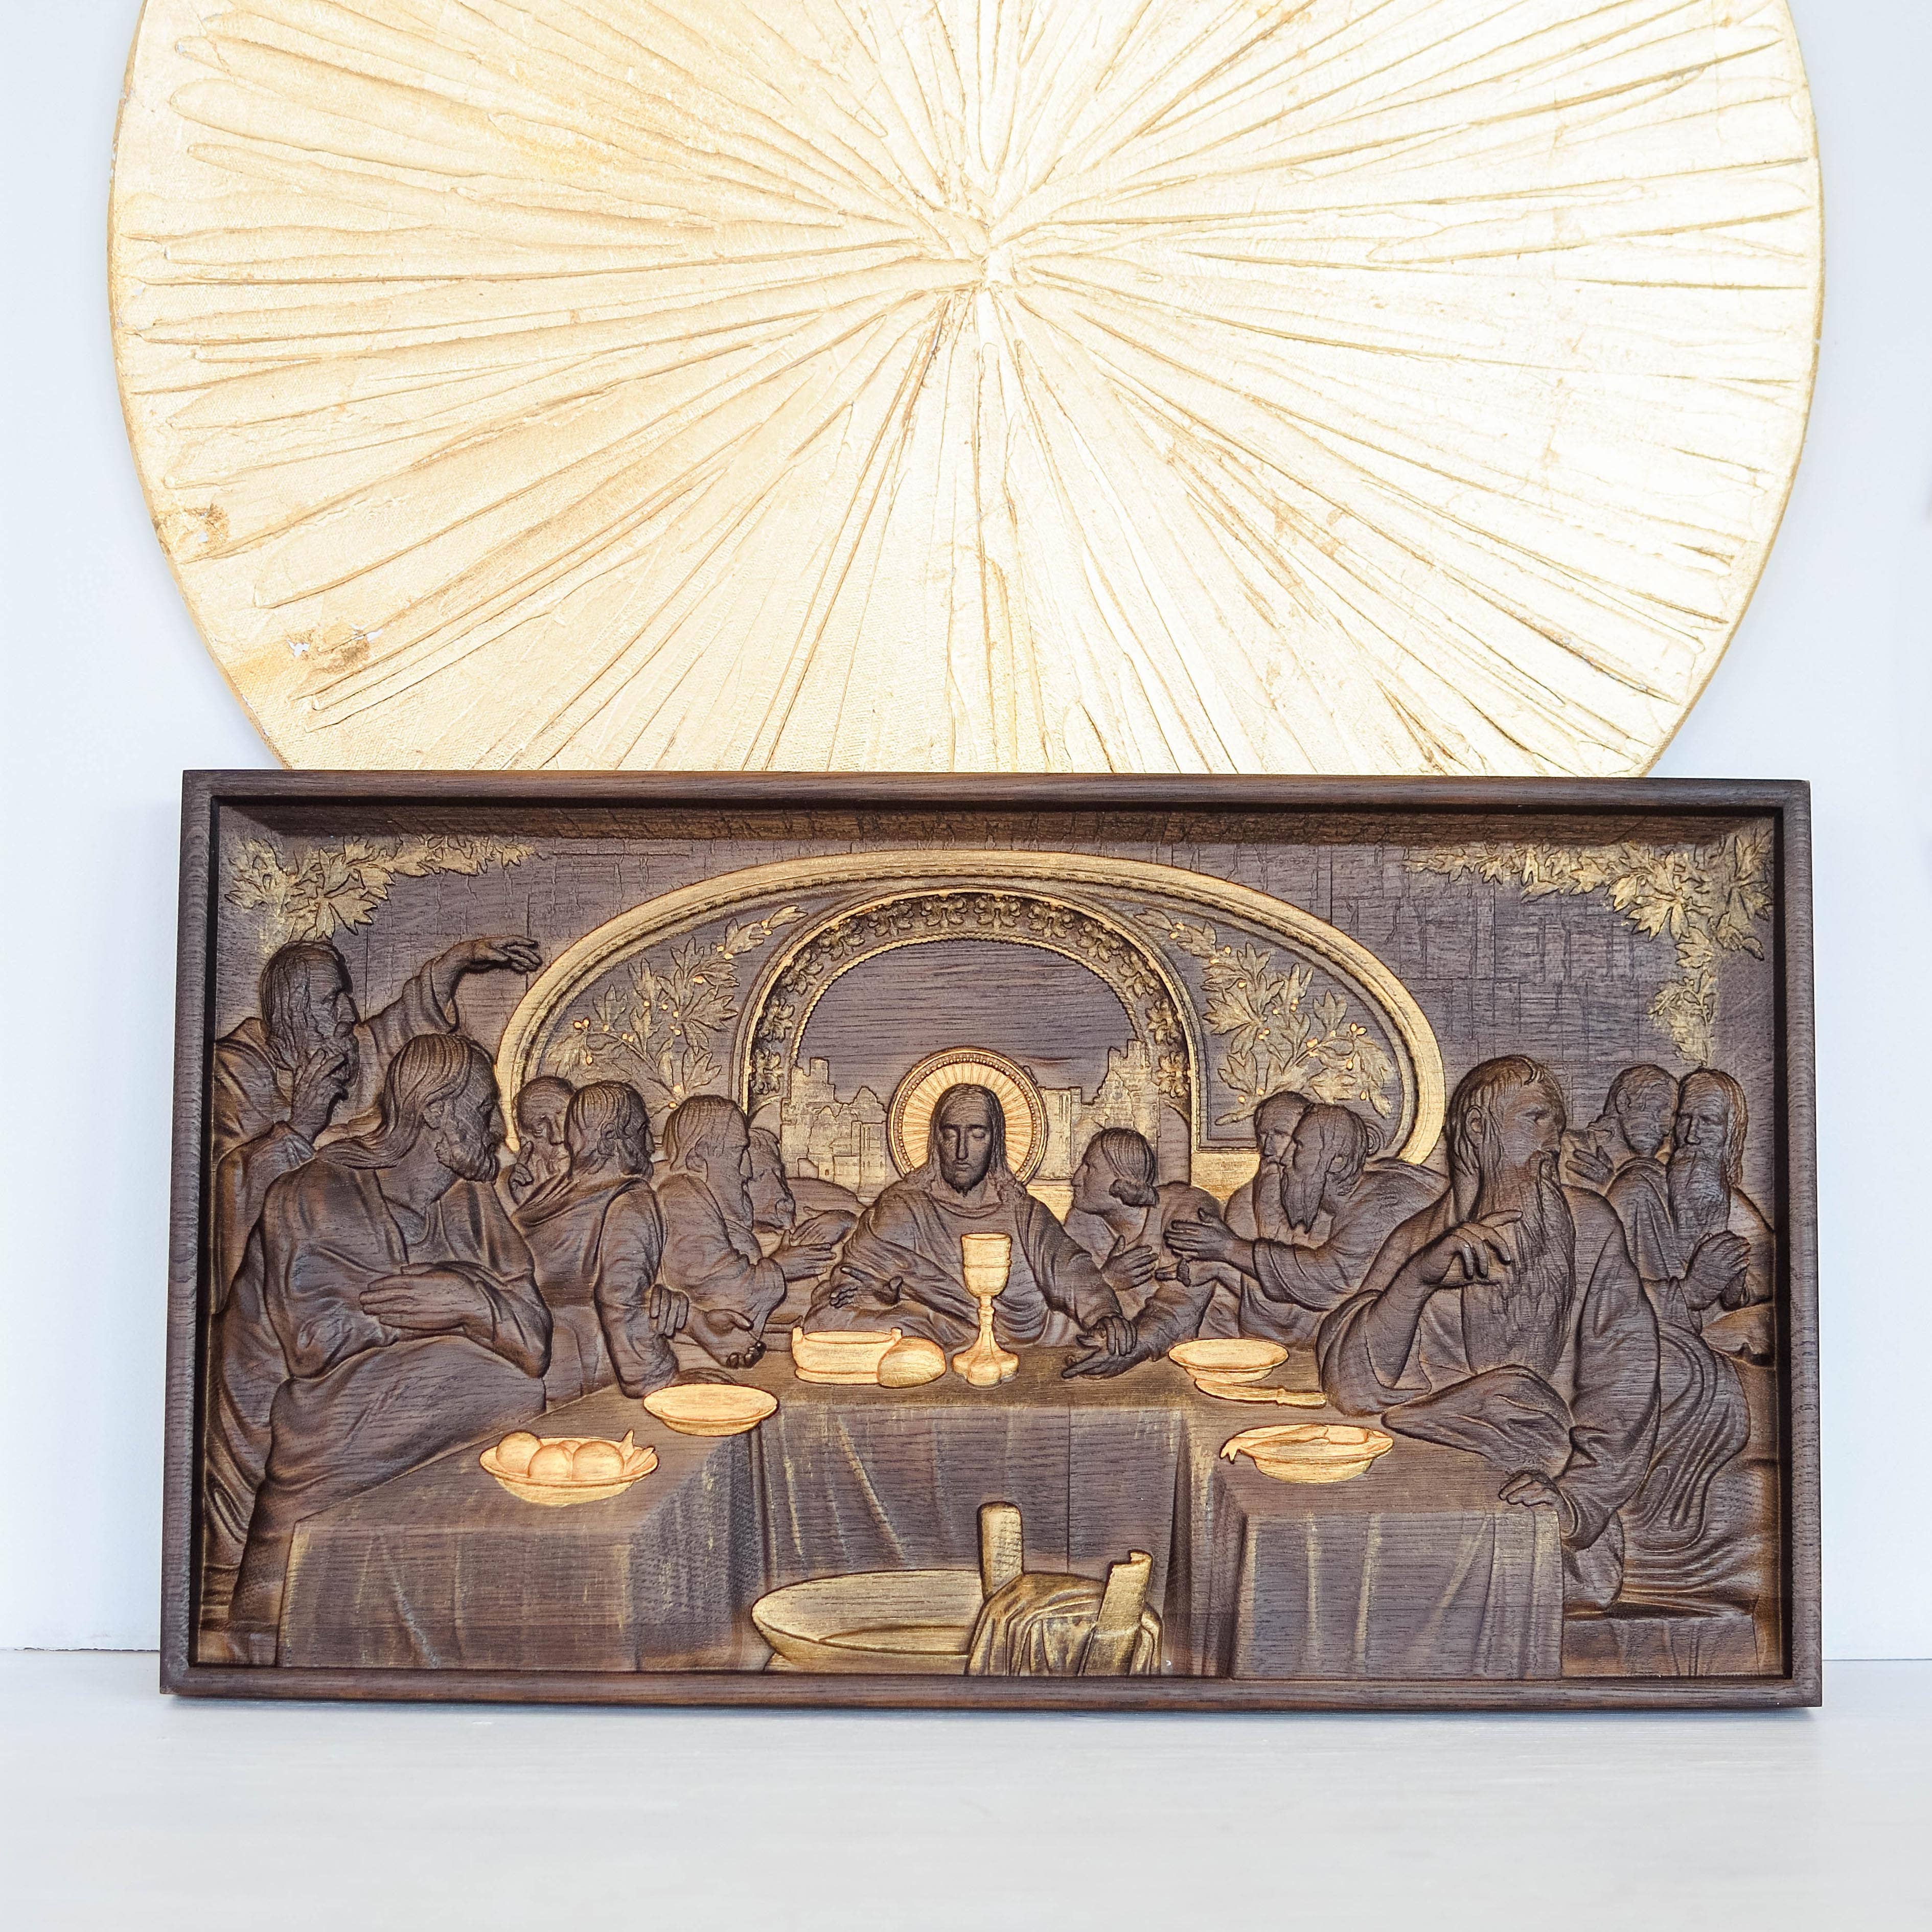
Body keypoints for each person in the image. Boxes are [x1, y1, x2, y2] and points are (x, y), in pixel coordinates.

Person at [223, 1035, 551, 1659]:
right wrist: (453, 1320)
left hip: (423, 1441)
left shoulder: (473, 1202)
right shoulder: (314, 1192)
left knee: (514, 1387)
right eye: (487, 1110)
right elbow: (315, 1341)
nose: (501, 1134)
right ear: (437, 1111)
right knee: (499, 1385)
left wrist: (466, 1300)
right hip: (326, 1445)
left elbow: (534, 1346)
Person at [1317, 1055, 1660, 1609]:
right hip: (1415, 1498)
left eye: (1557, 1124)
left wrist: (1574, 1501)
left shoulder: (1592, 1229)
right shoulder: (1417, 1241)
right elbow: (1352, 1389)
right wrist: (1418, 1280)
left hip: (1539, 1502)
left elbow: (1626, 1385)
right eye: (1537, 1119)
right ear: (1478, 1128)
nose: (1554, 1141)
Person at [210, 933, 542, 1305]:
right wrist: (300, 1128)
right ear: (293, 1012)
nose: (349, 1013)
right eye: (331, 1000)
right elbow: (226, 1192)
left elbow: (395, 1029)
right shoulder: (234, 1075)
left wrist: (457, 962)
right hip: (308, 1282)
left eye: (346, 997)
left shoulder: (348, 1050)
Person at [810, 1084, 1132, 1363]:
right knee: (833, 1323)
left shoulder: (1022, 1212)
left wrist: (1104, 1313)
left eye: (977, 1135)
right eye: (951, 1134)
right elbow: (852, 1283)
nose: (962, 1151)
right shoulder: (903, 1206)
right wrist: (876, 1295)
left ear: (995, 1143)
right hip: (927, 1332)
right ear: (936, 1140)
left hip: (1025, 1338)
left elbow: (1071, 1269)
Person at [1168, 1104, 1441, 1344]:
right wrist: (1221, 1263)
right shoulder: (1358, 1196)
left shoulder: (1384, 1204)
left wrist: (1227, 1249)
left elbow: (1323, 1280)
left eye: (1298, 1147)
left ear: (1337, 1162)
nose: (1284, 1159)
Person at [513, 1081, 677, 1404]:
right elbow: (620, 1302)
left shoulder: (548, 1194)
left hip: (535, 1365)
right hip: (585, 1376)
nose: (649, 1145)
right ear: (610, 1138)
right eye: (641, 1130)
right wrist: (666, 1382)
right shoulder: (630, 1201)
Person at [656, 1097, 835, 1371]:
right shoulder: (682, 1198)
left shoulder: (709, 1207)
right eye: (738, 1152)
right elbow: (725, 1294)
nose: (746, 1171)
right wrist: (781, 1268)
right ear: (698, 1156)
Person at [1061, 1129, 1238, 1376]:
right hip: (1125, 1364)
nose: (1076, 1179)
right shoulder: (1082, 1223)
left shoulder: (1185, 1210)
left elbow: (1181, 1304)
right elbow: (1060, 1304)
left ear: (1121, 1182)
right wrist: (1106, 1281)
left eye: (1090, 1168)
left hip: (1213, 1362)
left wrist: (1134, 1347)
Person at [747, 1125, 861, 1325]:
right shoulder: (721, 1240)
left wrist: (848, 1221)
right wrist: (778, 1269)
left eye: (778, 1173)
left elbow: (892, 1225)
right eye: (758, 1178)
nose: (780, 1189)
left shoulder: (810, 1194)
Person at [1566, 1064, 1676, 1195]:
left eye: (1672, 1116)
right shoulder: (1569, 1148)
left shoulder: (1667, 1166)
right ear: (1623, 1102)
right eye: (1657, 1112)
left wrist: (1613, 1185)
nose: (1666, 1129)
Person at [1222, 1090, 1312, 1243]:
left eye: (1280, 1135)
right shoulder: (1242, 1201)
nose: (1268, 1150)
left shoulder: (1334, 1200)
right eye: (1262, 1135)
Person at [500, 1075, 574, 1210]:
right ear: (525, 1140)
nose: (557, 1138)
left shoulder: (608, 1184)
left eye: (564, 1120)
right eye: (539, 1129)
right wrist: (527, 1202)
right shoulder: (504, 1187)